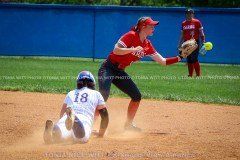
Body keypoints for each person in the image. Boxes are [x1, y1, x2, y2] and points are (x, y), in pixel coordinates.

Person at [98, 16, 188, 132]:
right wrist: (133, 49)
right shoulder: (131, 35)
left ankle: (128, 125)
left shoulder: (147, 45)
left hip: (120, 71)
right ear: (143, 27)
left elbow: (163, 61)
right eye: (151, 26)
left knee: (136, 96)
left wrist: (180, 57)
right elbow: (116, 50)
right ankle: (89, 123)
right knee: (103, 96)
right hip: (108, 67)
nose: (153, 28)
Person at [43, 71, 109, 144]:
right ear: (92, 83)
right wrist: (101, 134)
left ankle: (53, 130)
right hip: (84, 118)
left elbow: (62, 113)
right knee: (81, 139)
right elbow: (105, 116)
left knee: (62, 134)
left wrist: (63, 122)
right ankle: (75, 121)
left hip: (66, 117)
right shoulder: (96, 94)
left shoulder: (71, 93)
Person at [177, 8, 206, 77]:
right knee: (189, 58)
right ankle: (190, 75)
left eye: (190, 13)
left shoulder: (197, 22)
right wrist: (179, 44)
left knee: (194, 58)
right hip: (186, 42)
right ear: (186, 14)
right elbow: (182, 35)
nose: (189, 14)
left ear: (193, 14)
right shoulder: (183, 23)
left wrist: (203, 41)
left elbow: (201, 33)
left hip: (194, 42)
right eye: (187, 13)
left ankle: (198, 75)